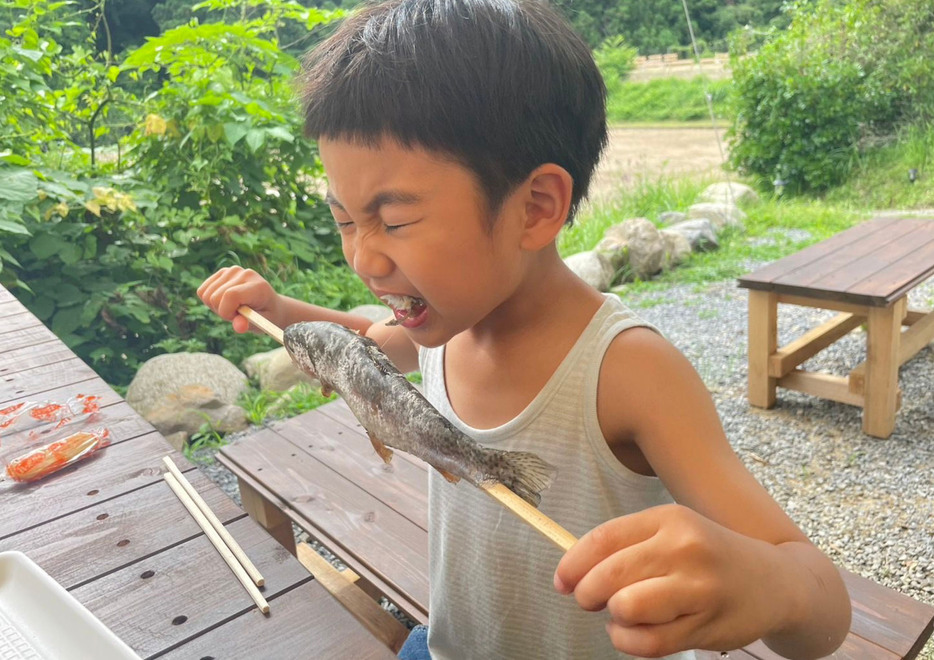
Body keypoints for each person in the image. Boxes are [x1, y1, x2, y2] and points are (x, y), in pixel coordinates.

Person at [197, 0, 851, 657]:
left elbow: (825, 608)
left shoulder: (627, 373)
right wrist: (282, 312)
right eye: (345, 220)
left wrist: (770, 585)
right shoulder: (444, 324)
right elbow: (365, 349)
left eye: (392, 221)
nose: (363, 258)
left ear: (535, 207)